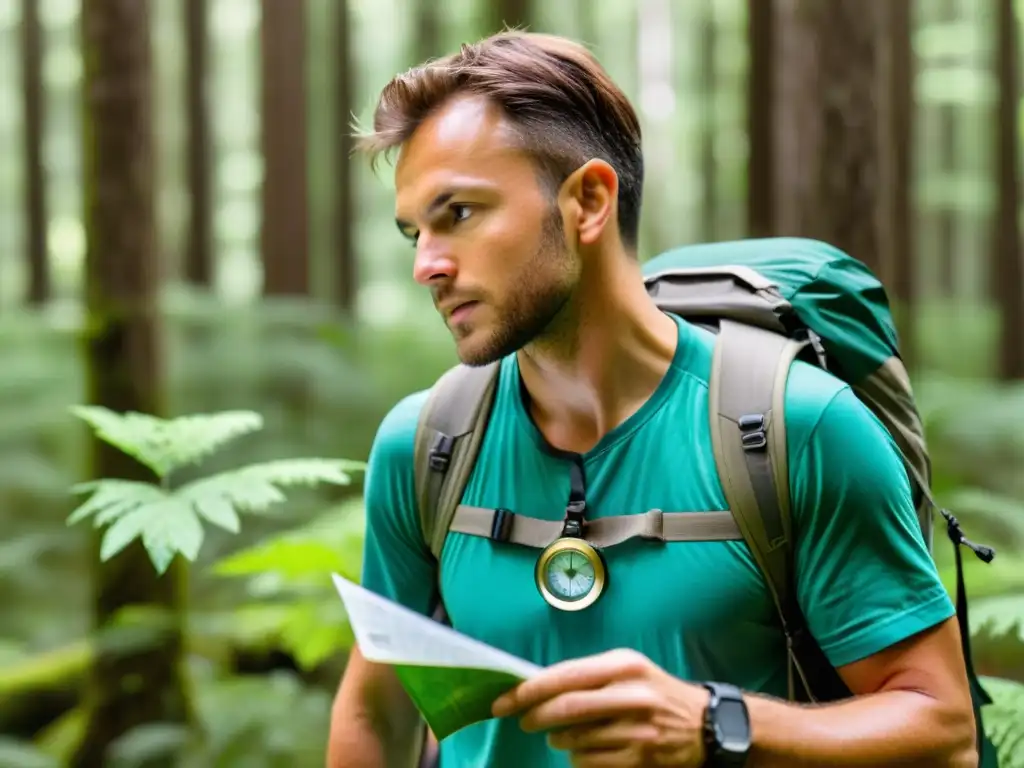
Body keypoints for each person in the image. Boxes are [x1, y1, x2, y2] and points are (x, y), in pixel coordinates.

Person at [327, 31, 978, 768]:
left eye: (461, 214)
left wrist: (716, 724)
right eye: (415, 231)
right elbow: (373, 707)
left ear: (589, 201)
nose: (427, 265)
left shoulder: (799, 430)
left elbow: (941, 727)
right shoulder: (427, 445)